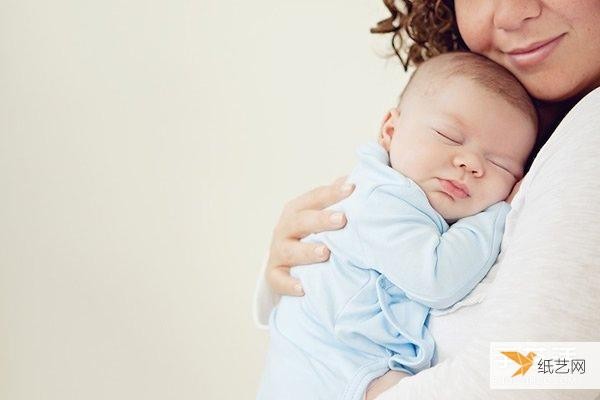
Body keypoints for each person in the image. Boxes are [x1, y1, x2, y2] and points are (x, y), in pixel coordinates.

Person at [254, 1, 600, 399]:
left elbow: (544, 373)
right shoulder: (471, 117)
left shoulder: (589, 131)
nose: (509, 13)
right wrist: (290, 266)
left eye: (500, 165)